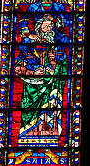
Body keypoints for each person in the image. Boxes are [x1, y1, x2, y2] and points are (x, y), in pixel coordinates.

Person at [15, 14, 70, 144]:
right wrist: (32, 72)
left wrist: (53, 67)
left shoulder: (57, 48)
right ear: (39, 29)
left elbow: (65, 67)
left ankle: (50, 136)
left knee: (50, 115)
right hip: (31, 87)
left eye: (51, 26)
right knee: (30, 117)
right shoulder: (28, 47)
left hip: (51, 86)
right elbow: (18, 68)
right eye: (46, 26)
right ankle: (28, 138)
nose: (49, 28)